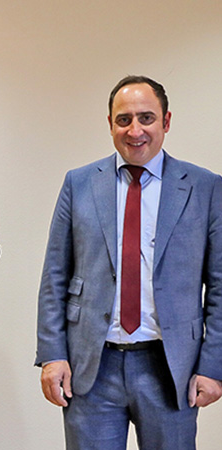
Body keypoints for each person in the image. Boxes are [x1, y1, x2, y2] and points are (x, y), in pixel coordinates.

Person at [35, 75, 222, 449]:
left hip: (171, 370)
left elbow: (219, 285)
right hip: (91, 370)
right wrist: (52, 355)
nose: (135, 130)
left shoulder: (205, 187)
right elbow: (55, 275)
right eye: (124, 120)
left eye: (146, 118)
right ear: (110, 124)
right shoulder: (79, 183)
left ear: (166, 121)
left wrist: (213, 365)